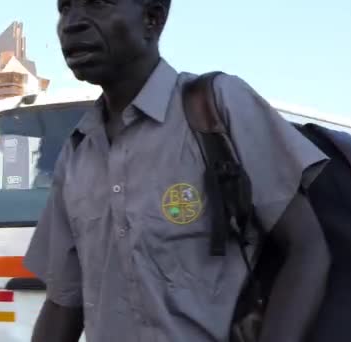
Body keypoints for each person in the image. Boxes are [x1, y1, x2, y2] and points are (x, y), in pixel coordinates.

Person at [24, 1, 331, 341]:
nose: (71, 24)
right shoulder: (77, 153)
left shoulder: (217, 110)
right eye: (65, 8)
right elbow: (63, 304)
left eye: (98, 3)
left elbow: (308, 250)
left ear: (152, 19)